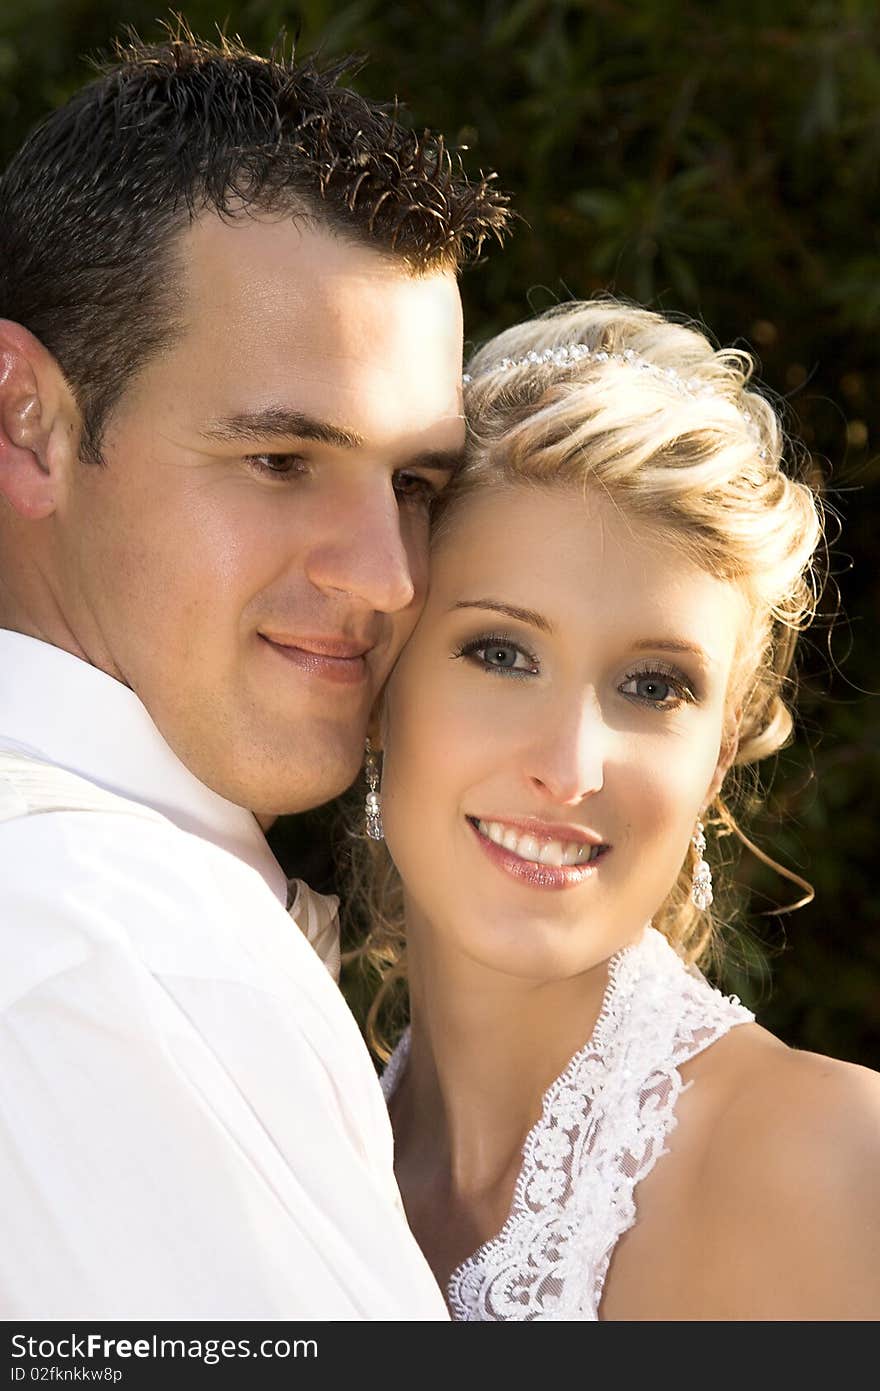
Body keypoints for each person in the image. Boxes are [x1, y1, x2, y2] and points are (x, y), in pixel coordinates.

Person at [0, 27, 509, 1319]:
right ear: (27, 423)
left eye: (416, 483)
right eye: (281, 460)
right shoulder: (125, 948)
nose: (388, 573)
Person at [353, 299, 880, 1320]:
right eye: (502, 653)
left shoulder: (835, 1163)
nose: (568, 765)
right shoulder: (301, 1149)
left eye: (654, 685)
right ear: (381, 682)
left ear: (720, 749)